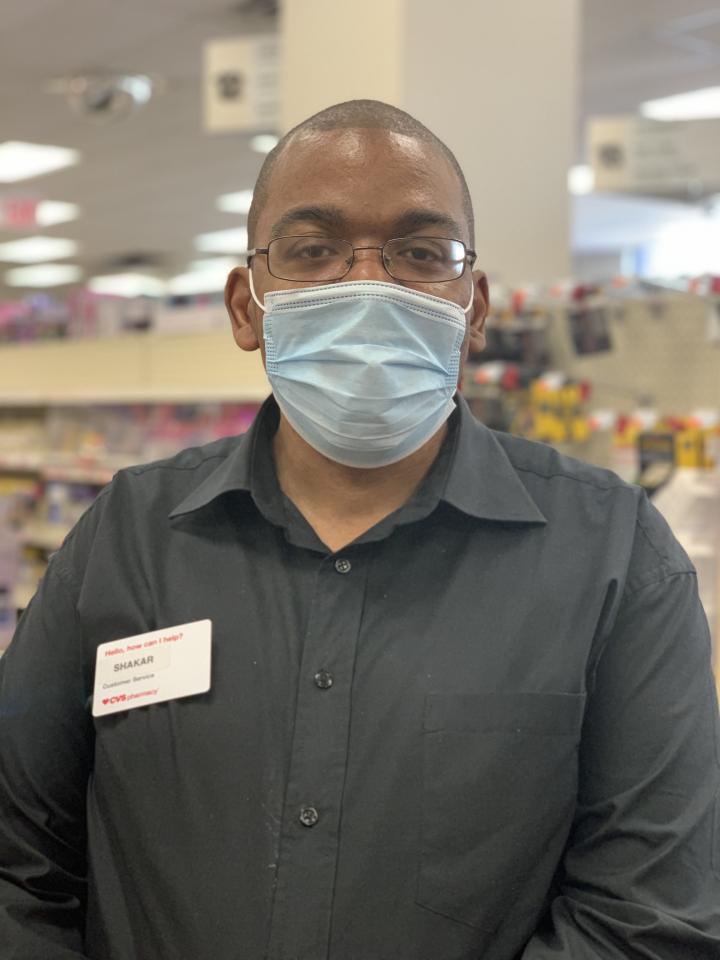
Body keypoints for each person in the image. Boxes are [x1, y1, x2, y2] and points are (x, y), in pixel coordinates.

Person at [1, 99, 719, 960]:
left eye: (421, 253)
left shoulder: (614, 557)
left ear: (474, 308)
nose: (370, 284)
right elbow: (17, 859)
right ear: (247, 308)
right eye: (313, 251)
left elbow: (647, 918)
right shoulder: (128, 535)